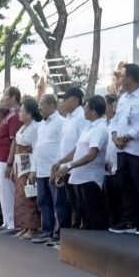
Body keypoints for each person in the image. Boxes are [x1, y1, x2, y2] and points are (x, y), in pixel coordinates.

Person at [109, 63, 139, 237]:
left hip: (138, 150)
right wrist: (115, 137)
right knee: (125, 185)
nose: (120, 79)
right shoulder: (123, 98)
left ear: (130, 78)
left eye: (122, 76)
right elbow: (115, 120)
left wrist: (126, 138)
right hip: (122, 149)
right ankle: (129, 220)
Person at [54, 95, 110, 230]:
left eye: (86, 107)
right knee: (83, 215)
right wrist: (61, 162)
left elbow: (91, 155)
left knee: (93, 217)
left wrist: (70, 165)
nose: (83, 109)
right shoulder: (89, 127)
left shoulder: (100, 129)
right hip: (78, 179)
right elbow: (77, 148)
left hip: (90, 180)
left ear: (93, 112)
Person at [31, 94, 65, 245]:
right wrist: (33, 169)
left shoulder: (61, 122)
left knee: (57, 202)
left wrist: (57, 166)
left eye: (42, 104)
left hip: (53, 169)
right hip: (41, 170)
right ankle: (47, 231)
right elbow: (37, 148)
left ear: (52, 105)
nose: (39, 108)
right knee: (43, 201)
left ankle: (59, 233)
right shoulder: (41, 125)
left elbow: (62, 147)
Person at [0, 87, 23, 234]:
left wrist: (10, 162)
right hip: (0, 158)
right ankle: (6, 220)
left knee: (8, 191)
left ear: (13, 97)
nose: (3, 98)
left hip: (6, 159)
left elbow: (14, 141)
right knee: (3, 192)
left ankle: (12, 223)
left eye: (5, 95)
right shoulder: (8, 115)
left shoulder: (16, 116)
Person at [11, 98, 42, 240]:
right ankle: (24, 225)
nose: (19, 113)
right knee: (20, 198)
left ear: (29, 113)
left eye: (22, 111)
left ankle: (32, 227)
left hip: (29, 164)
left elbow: (36, 149)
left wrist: (33, 170)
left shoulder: (36, 128)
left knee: (29, 198)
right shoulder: (22, 127)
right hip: (19, 164)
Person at [57, 87, 88, 229]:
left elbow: (82, 144)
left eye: (66, 100)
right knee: (68, 201)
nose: (62, 103)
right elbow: (64, 143)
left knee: (76, 202)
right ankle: (66, 231)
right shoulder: (68, 118)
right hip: (65, 167)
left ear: (76, 100)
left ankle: (75, 231)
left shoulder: (82, 117)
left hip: (76, 167)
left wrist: (70, 164)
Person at [103, 94, 122, 227]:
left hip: (116, 166)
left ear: (111, 106)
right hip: (104, 167)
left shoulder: (117, 122)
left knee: (117, 198)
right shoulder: (104, 123)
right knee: (107, 199)